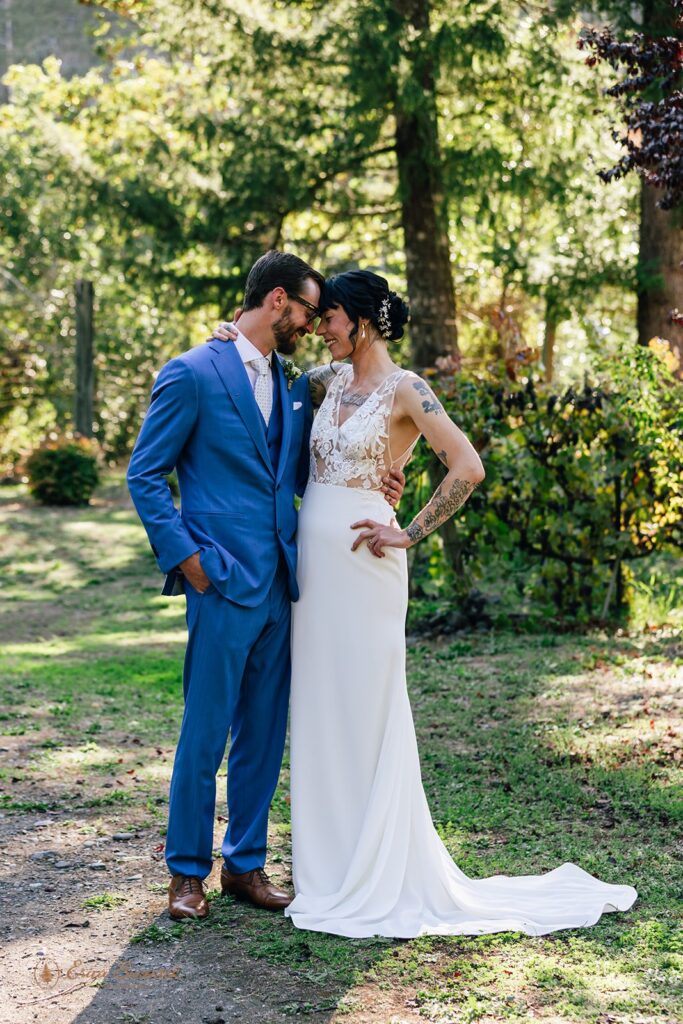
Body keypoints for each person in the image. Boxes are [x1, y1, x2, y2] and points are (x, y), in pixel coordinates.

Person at [213, 268, 638, 938]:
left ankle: (378, 871)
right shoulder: (322, 386)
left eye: (329, 318)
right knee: (319, 708)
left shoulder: (407, 389)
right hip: (313, 574)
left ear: (361, 321)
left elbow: (466, 466)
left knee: (368, 707)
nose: (319, 326)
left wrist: (407, 529)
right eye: (317, 317)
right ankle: (328, 870)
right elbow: (284, 438)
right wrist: (225, 336)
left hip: (367, 568)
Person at [127, 250, 405, 922]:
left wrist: (383, 484)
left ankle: (244, 867)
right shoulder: (192, 372)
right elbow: (145, 474)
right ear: (277, 300)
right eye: (308, 309)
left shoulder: (292, 385)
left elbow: (315, 465)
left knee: (262, 733)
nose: (313, 324)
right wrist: (188, 560)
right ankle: (186, 874)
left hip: (285, 586)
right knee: (205, 733)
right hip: (219, 581)